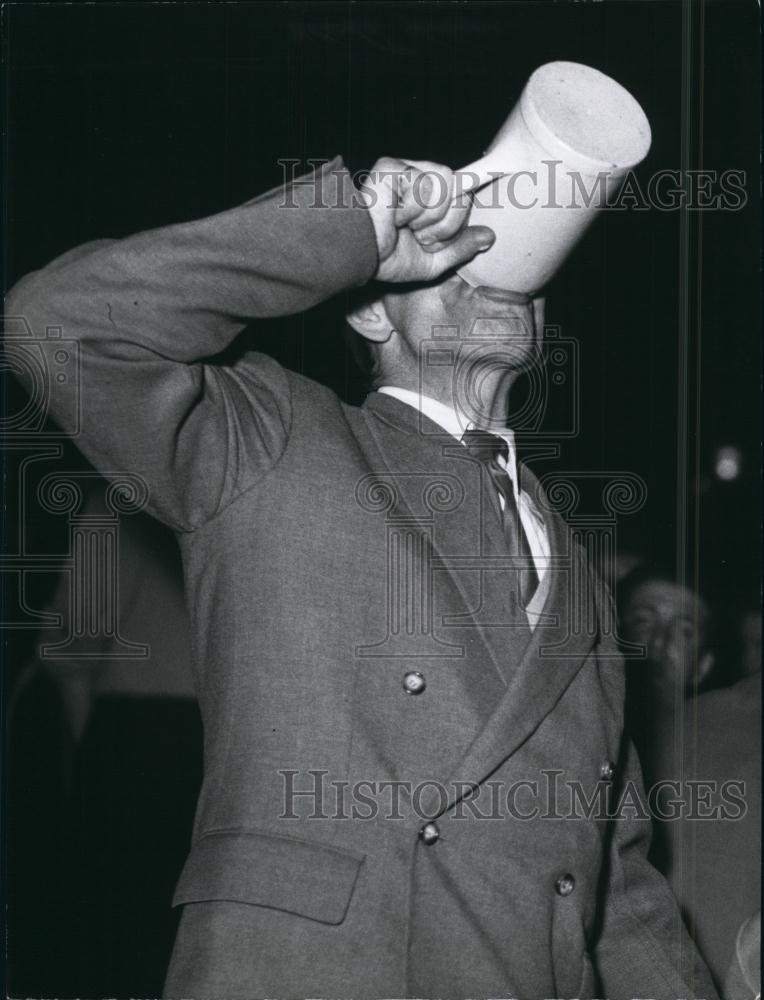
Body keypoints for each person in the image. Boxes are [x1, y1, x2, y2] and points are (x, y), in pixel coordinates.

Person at [6, 156, 718, 999]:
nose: (496, 270)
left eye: (516, 261)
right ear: (375, 309)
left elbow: (619, 884)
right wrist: (350, 228)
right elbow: (54, 325)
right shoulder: (273, 439)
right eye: (451, 257)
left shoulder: (581, 577)